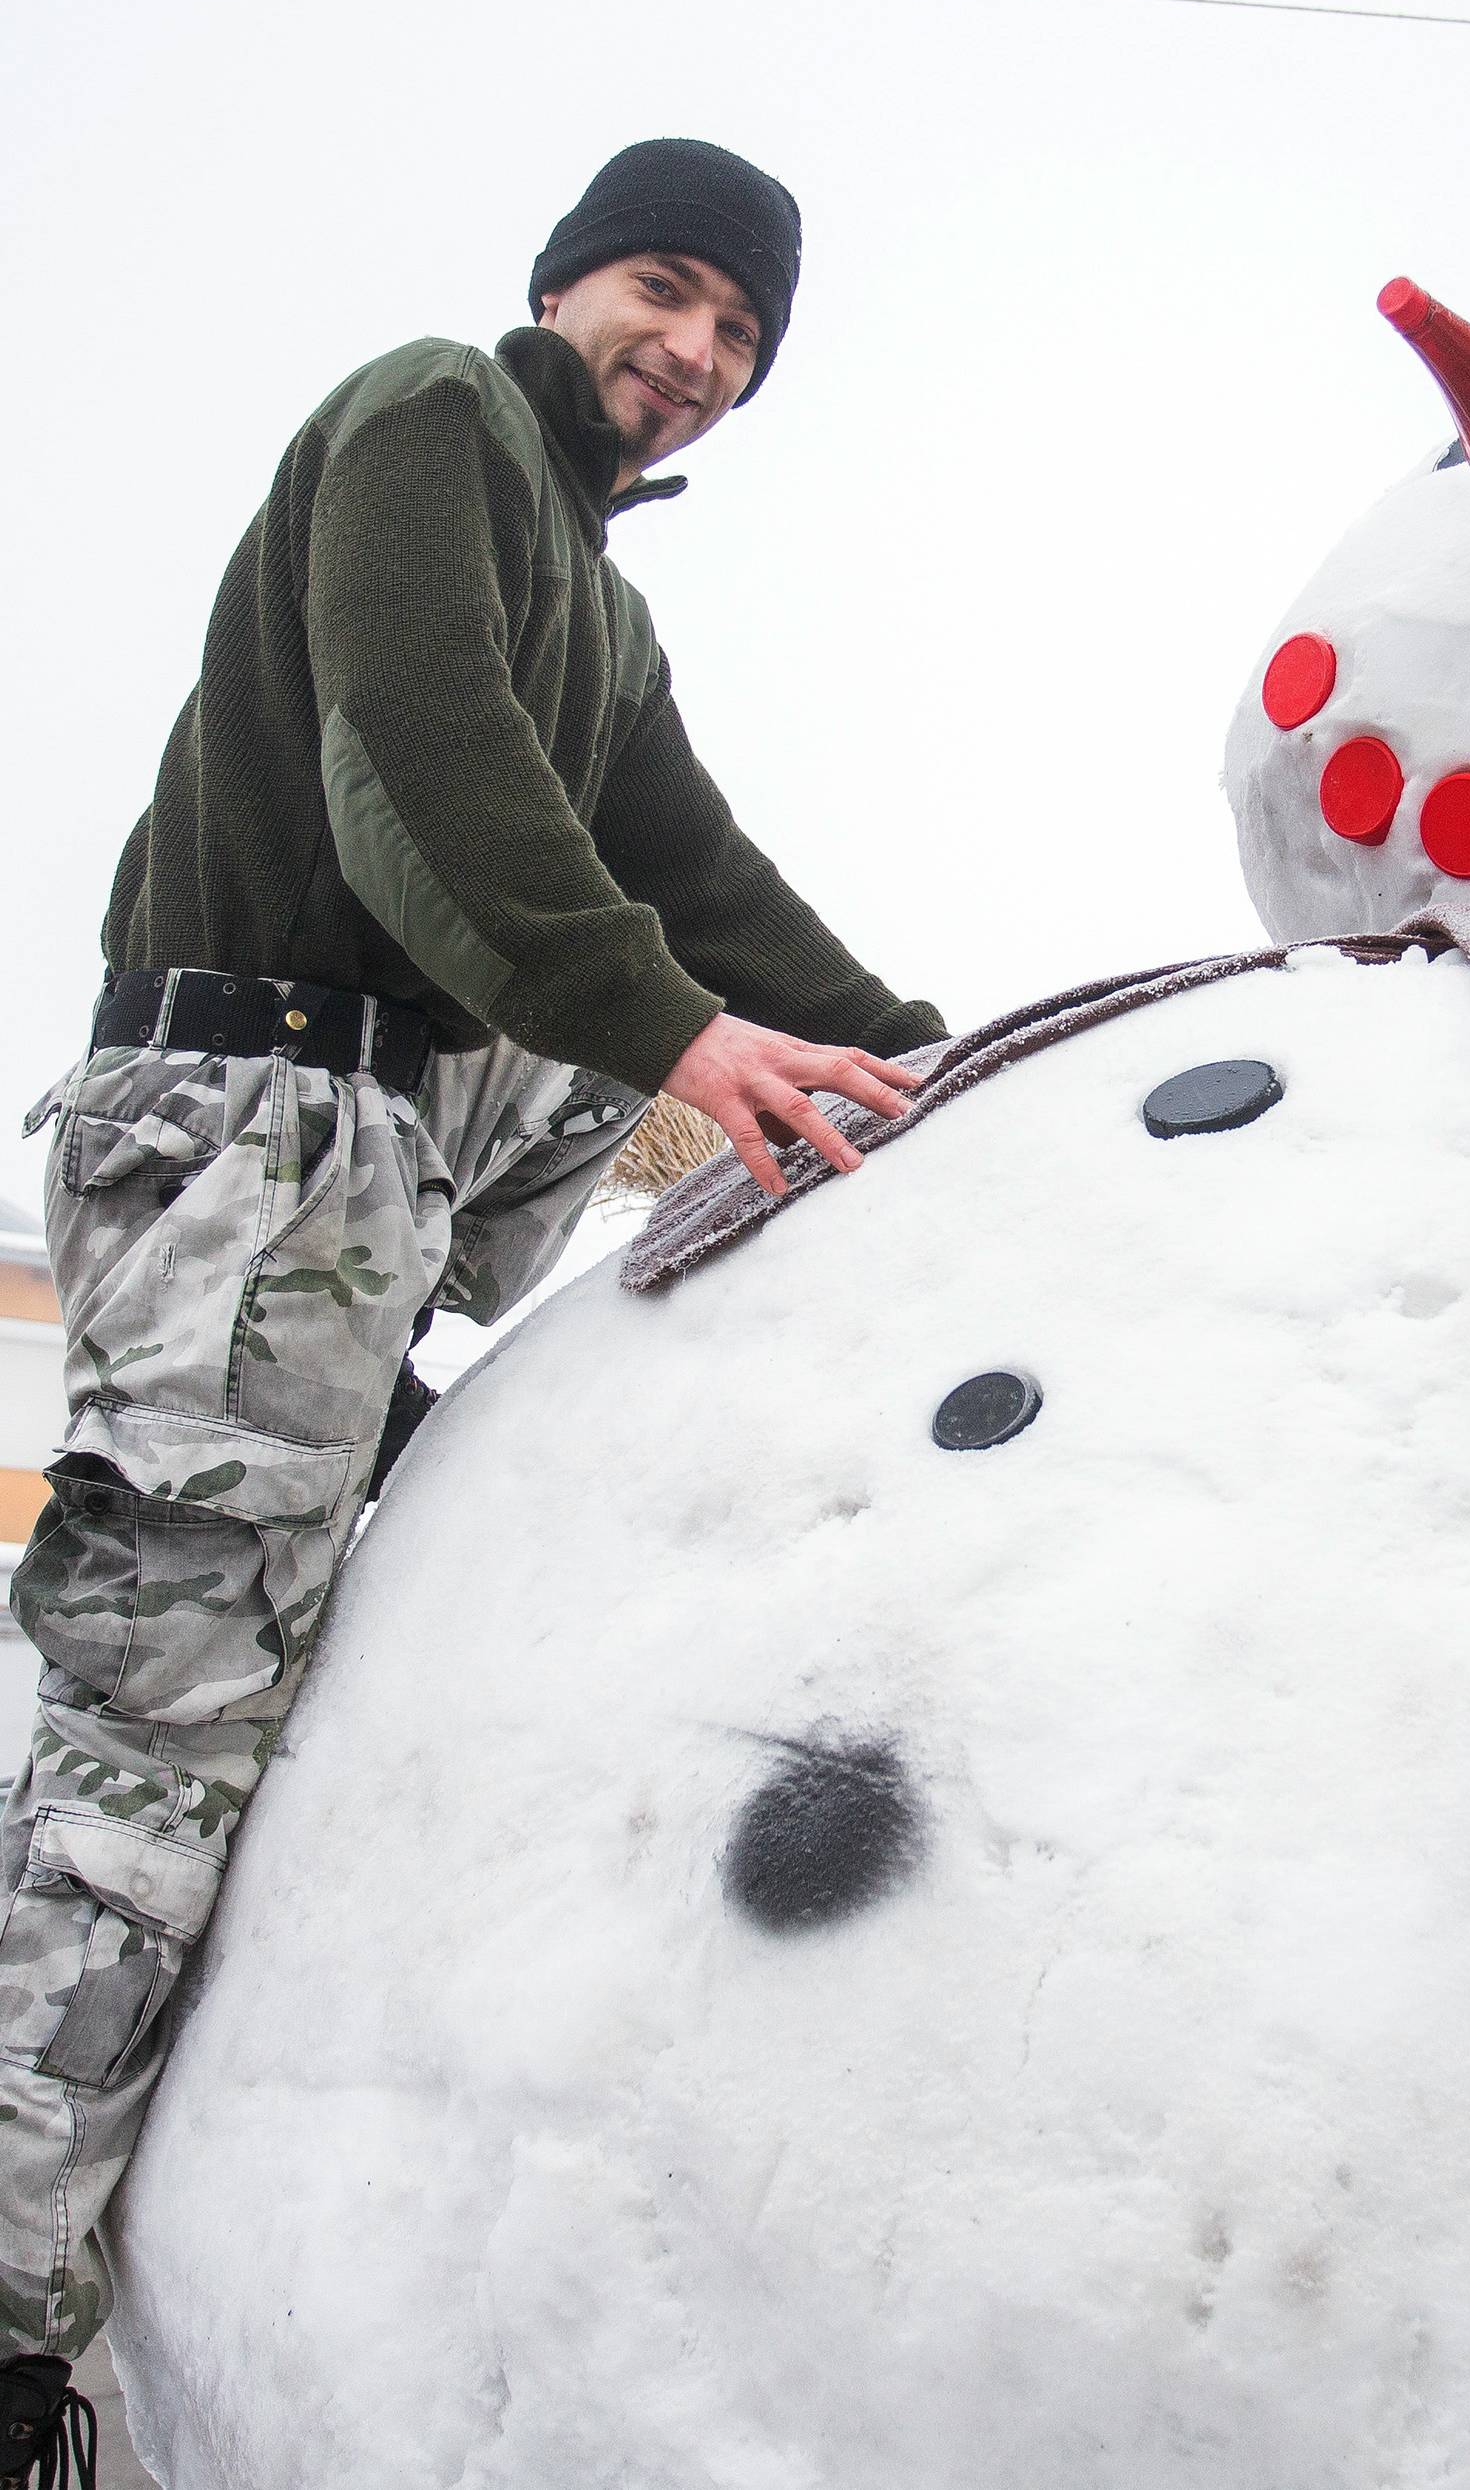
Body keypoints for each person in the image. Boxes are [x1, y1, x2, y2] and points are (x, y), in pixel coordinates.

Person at [0, 136, 944, 2476]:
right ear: (566, 282)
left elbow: (691, 872)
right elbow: (422, 764)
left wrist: (939, 1057)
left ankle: (391, 1379)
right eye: (666, 291)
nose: (694, 356)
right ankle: (7, 2302)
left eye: (738, 337)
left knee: (693, 1044)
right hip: (250, 1111)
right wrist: (683, 1034)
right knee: (167, 1730)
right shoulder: (431, 419)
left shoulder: (612, 616)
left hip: (378, 1147)